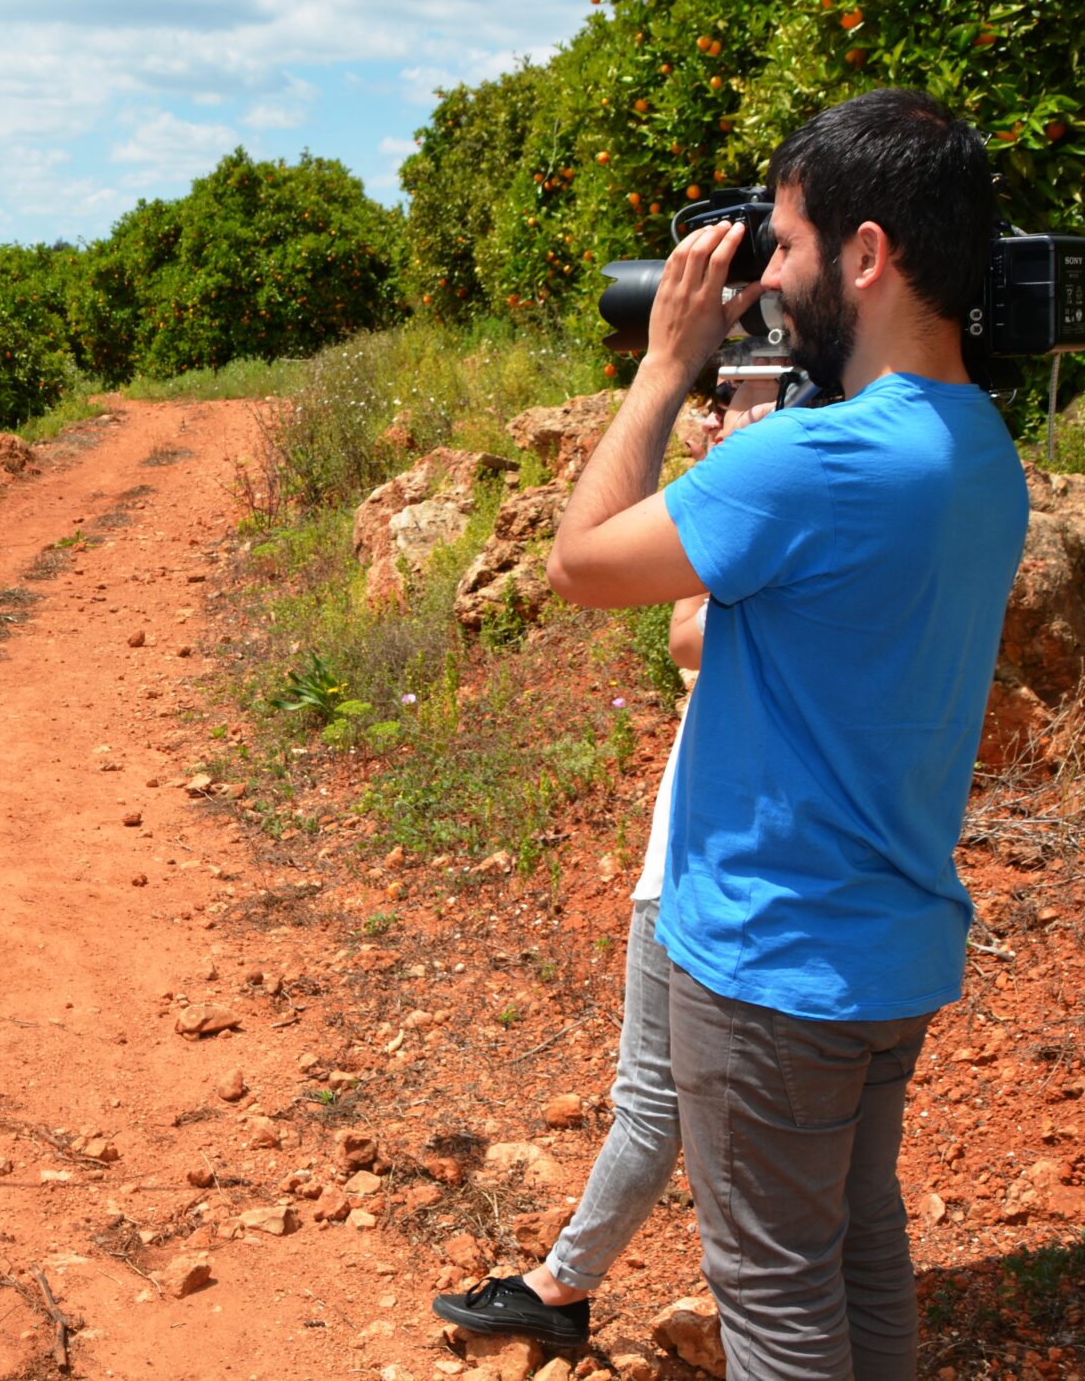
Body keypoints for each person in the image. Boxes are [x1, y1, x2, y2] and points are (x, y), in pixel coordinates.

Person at [541, 88, 1029, 1380]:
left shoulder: (808, 466)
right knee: (860, 1242)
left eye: (792, 241)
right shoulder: (981, 447)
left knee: (771, 1296)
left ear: (868, 255)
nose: (774, 269)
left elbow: (581, 559)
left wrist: (663, 365)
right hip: (888, 947)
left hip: (768, 958)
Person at [433, 376, 778, 1352]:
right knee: (661, 1100)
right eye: (707, 400)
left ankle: (565, 1285)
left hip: (697, 872)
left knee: (663, 1100)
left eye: (733, 400)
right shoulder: (772, 529)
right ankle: (564, 1283)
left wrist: (730, 491)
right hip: (690, 857)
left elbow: (684, 629)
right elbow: (687, 642)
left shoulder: (783, 525)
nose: (708, 421)